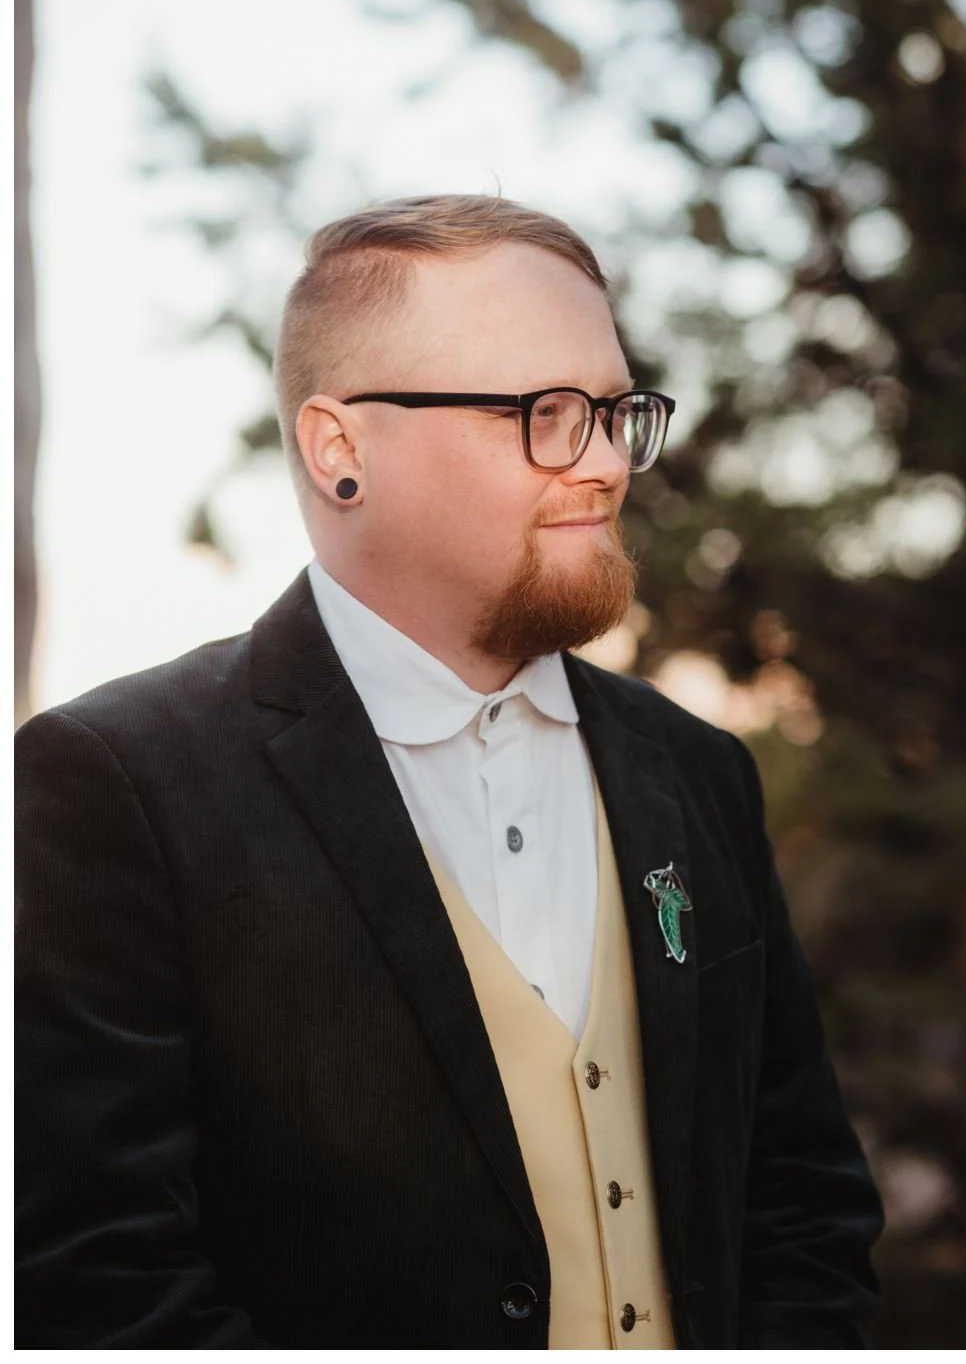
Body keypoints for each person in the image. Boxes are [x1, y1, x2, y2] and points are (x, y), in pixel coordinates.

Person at [16, 196, 883, 1347]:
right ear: (340, 450)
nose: (605, 466)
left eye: (617, 411)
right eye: (543, 413)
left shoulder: (696, 769)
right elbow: (98, 1280)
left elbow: (802, 1204)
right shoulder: (117, 784)